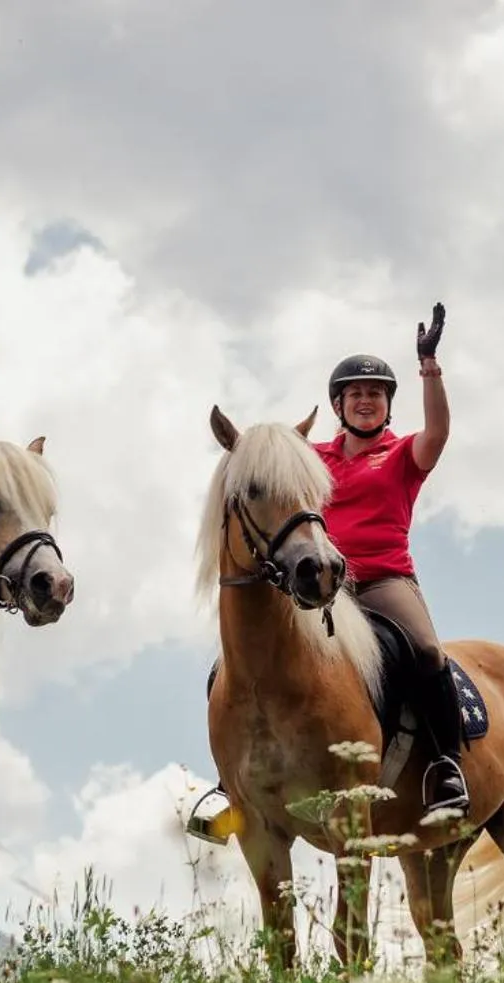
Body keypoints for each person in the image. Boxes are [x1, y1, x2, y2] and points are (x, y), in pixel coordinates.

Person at [187, 303, 467, 842]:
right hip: (315, 582)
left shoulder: (401, 455)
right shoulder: (312, 458)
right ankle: (231, 784)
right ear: (338, 404)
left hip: (382, 582)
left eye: (376, 394)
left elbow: (438, 432)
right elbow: (267, 476)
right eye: (355, 393)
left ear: (387, 405)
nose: (366, 400)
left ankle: (445, 766)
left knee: (426, 652)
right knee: (230, 667)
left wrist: (429, 367)